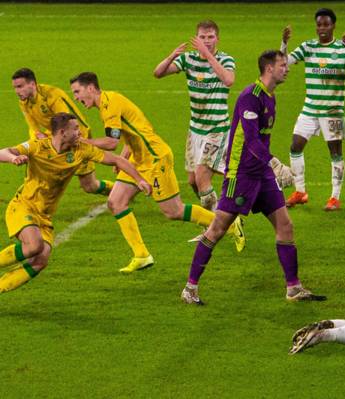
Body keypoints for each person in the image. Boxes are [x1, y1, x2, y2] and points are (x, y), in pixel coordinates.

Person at [181, 50, 326, 305]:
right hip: (242, 175)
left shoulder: (271, 96)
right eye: (283, 65)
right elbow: (251, 140)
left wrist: (270, 168)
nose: (287, 69)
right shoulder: (251, 97)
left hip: (262, 174)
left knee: (286, 226)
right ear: (269, 69)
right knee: (217, 229)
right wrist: (275, 163)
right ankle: (190, 288)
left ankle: (293, 288)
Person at [69, 72, 245, 274]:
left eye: (77, 91)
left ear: (91, 88)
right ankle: (141, 255)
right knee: (115, 202)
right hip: (139, 158)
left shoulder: (110, 105)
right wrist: (125, 157)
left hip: (155, 158)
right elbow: (132, 131)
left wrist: (82, 142)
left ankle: (229, 225)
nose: (76, 97)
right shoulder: (108, 101)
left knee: (174, 211)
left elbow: (111, 142)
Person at [0, 113, 152, 293]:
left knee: (41, 260)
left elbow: (116, 159)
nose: (80, 132)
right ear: (63, 132)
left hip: (45, 215)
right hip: (23, 206)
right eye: (76, 129)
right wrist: (13, 158)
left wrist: (139, 179)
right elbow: (3, 152)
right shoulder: (37, 146)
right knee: (35, 246)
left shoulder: (80, 149)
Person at [281, 8, 345, 211]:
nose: (322, 28)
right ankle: (300, 191)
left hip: (332, 111)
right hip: (310, 109)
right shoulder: (308, 46)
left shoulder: (341, 48)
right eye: (319, 24)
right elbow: (284, 63)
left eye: (326, 24)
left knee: (335, 153)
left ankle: (334, 197)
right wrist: (284, 43)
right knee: (295, 146)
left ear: (333, 25)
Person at [153, 20, 235, 211]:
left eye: (210, 37)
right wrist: (172, 55)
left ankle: (216, 223)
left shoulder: (225, 59)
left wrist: (207, 56)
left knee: (202, 177)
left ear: (218, 39)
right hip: (195, 129)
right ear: (196, 38)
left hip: (217, 129)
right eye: (202, 37)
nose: (207, 41)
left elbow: (229, 80)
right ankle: (221, 212)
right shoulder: (188, 59)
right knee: (192, 181)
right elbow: (158, 73)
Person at [11, 68, 113, 196]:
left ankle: (117, 192)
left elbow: (68, 122)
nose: (17, 91)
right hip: (58, 136)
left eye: (20, 86)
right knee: (36, 158)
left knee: (90, 186)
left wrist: (54, 141)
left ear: (32, 84)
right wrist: (37, 137)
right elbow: (33, 127)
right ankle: (27, 199)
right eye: (15, 87)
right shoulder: (24, 102)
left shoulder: (52, 96)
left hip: (76, 136)